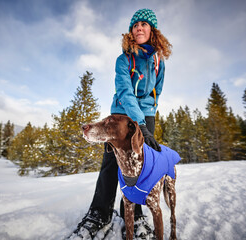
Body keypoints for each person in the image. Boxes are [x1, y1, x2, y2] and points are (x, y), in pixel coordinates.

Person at [69, 8, 172, 239]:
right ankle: (100, 212)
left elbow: (157, 91)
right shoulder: (123, 59)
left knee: (141, 165)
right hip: (120, 114)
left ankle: (135, 215)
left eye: (144, 24)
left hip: (145, 118)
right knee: (111, 163)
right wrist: (139, 120)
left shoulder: (158, 61)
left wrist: (148, 117)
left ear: (152, 30)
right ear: (131, 32)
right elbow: (125, 92)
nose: (139, 28)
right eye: (135, 25)